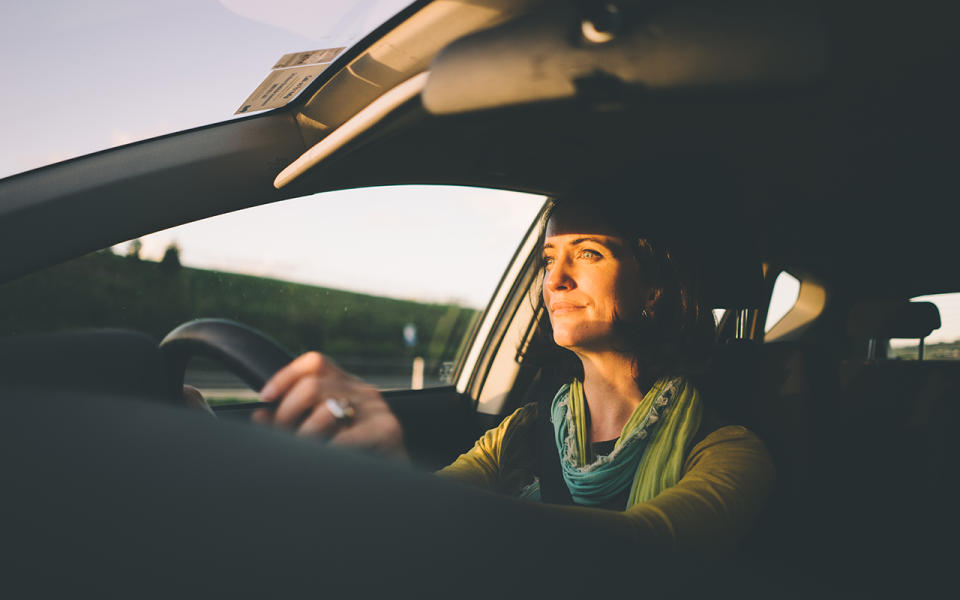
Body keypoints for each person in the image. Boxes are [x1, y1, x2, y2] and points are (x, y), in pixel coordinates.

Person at [251, 197, 775, 555]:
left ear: (654, 290)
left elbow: (643, 548)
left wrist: (406, 493)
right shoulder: (524, 429)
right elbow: (428, 507)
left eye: (588, 254)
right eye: (549, 259)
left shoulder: (729, 450)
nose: (555, 280)